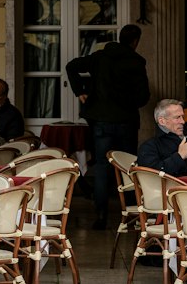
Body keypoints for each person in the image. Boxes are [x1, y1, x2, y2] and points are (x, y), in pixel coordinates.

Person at [66, 22, 150, 229]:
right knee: (128, 166)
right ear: (135, 41)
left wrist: (81, 91)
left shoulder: (99, 58)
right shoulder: (136, 62)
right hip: (126, 121)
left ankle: (101, 215)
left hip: (101, 120)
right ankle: (130, 212)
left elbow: (71, 66)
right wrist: (130, 102)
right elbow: (143, 97)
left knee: (102, 167)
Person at [136, 97, 187, 177]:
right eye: (177, 117)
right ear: (162, 121)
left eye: (182, 117)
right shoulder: (150, 146)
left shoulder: (186, 139)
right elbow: (151, 176)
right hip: (171, 189)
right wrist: (180, 156)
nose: (183, 121)